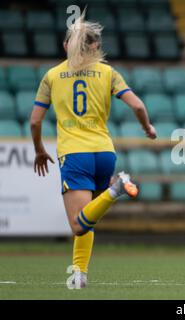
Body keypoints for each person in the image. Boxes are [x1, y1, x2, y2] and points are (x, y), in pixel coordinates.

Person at [30, 13, 157, 289]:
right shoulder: (108, 72)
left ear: (67, 46)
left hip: (74, 154)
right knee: (88, 217)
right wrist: (148, 127)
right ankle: (79, 273)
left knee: (78, 223)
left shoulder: (52, 76)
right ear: (95, 47)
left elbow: (35, 121)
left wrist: (40, 150)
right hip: (104, 153)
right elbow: (137, 106)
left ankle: (117, 188)